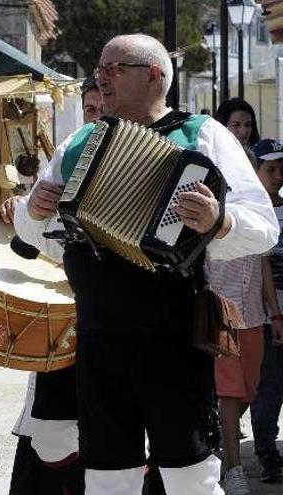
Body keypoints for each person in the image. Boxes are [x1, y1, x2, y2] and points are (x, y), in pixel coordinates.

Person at [14, 33, 278, 494]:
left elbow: (263, 228)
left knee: (190, 475)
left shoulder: (204, 135)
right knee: (106, 476)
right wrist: (31, 212)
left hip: (173, 333)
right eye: (99, 69)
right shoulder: (79, 141)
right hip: (98, 336)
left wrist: (221, 221)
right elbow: (42, 239)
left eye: (113, 69)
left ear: (154, 75)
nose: (101, 78)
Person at [2, 74, 107, 495]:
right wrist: (28, 211)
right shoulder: (70, 153)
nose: (96, 117)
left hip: (123, 315)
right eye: (91, 109)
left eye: (103, 108)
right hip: (67, 310)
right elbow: (30, 238)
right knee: (52, 429)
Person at [206, 147, 273, 494]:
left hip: (253, 314)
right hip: (220, 311)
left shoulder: (254, 208)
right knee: (230, 393)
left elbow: (262, 262)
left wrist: (274, 311)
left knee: (250, 387)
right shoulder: (209, 202)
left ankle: (218, 432)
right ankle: (233, 469)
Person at [251, 138, 283, 484]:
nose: (278, 176)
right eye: (271, 169)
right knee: (268, 386)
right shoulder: (251, 215)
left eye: (281, 170)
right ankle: (266, 452)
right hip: (264, 315)